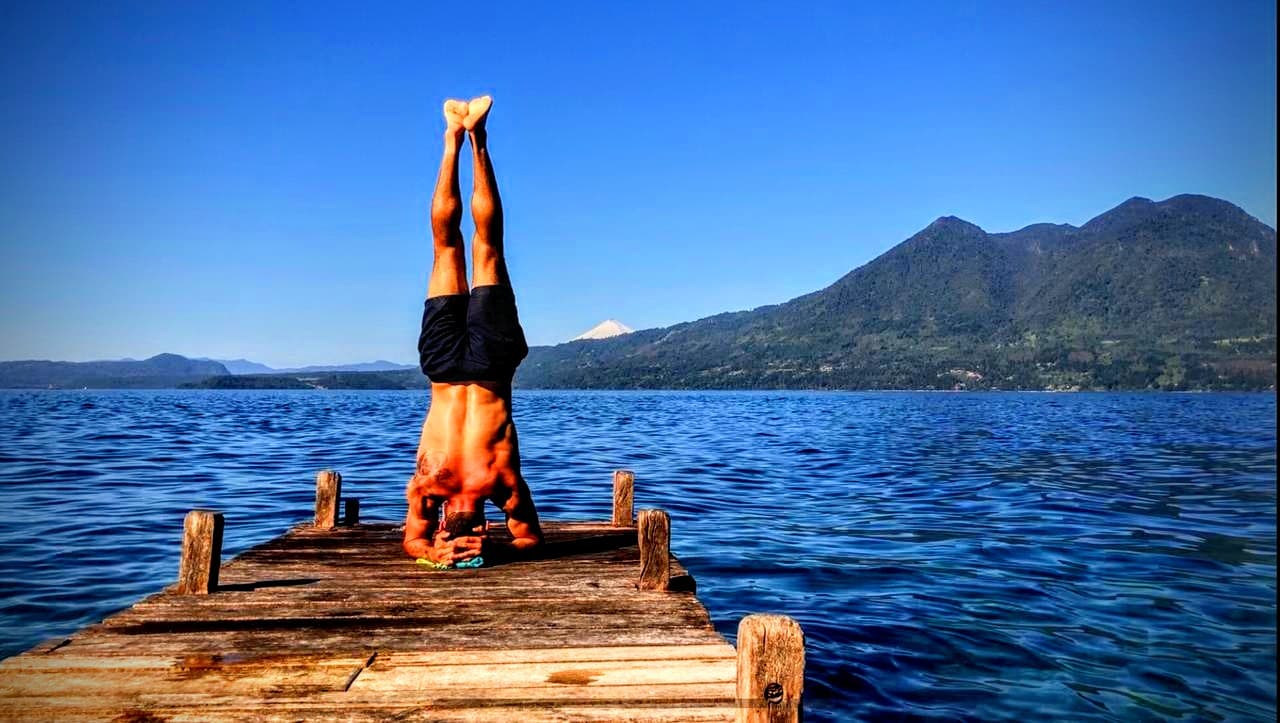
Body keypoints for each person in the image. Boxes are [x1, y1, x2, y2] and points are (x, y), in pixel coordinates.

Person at [403, 96, 543, 566]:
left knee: (487, 247)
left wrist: (454, 552)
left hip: (490, 369)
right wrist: (432, 550)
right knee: (446, 248)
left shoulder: (502, 485)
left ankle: (474, 138)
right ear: (443, 519)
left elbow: (529, 539)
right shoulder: (428, 486)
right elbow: (413, 542)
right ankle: (455, 138)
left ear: (482, 524)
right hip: (443, 368)